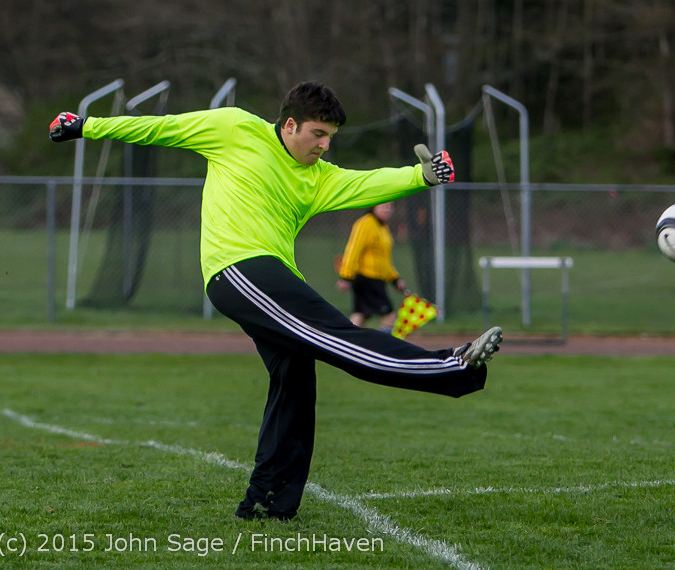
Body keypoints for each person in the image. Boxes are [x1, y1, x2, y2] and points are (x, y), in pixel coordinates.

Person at [49, 81, 503, 521]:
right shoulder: (233, 128)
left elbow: (368, 183)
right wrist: (86, 125)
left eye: (330, 136)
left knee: (295, 378)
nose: (324, 145)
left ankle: (269, 502)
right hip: (237, 269)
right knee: (338, 337)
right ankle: (452, 366)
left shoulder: (319, 178)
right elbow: (158, 127)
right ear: (289, 125)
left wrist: (421, 176)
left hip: (271, 275)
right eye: (318, 133)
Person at [336, 201, 405, 332]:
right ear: (374, 206)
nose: (387, 209)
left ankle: (351, 341)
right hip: (367, 279)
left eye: (390, 206)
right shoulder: (366, 223)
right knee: (389, 316)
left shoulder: (382, 227)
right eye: (383, 206)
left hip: (376, 280)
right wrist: (346, 276)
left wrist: (395, 279)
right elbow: (353, 250)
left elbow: (383, 260)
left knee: (360, 315)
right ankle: (382, 344)